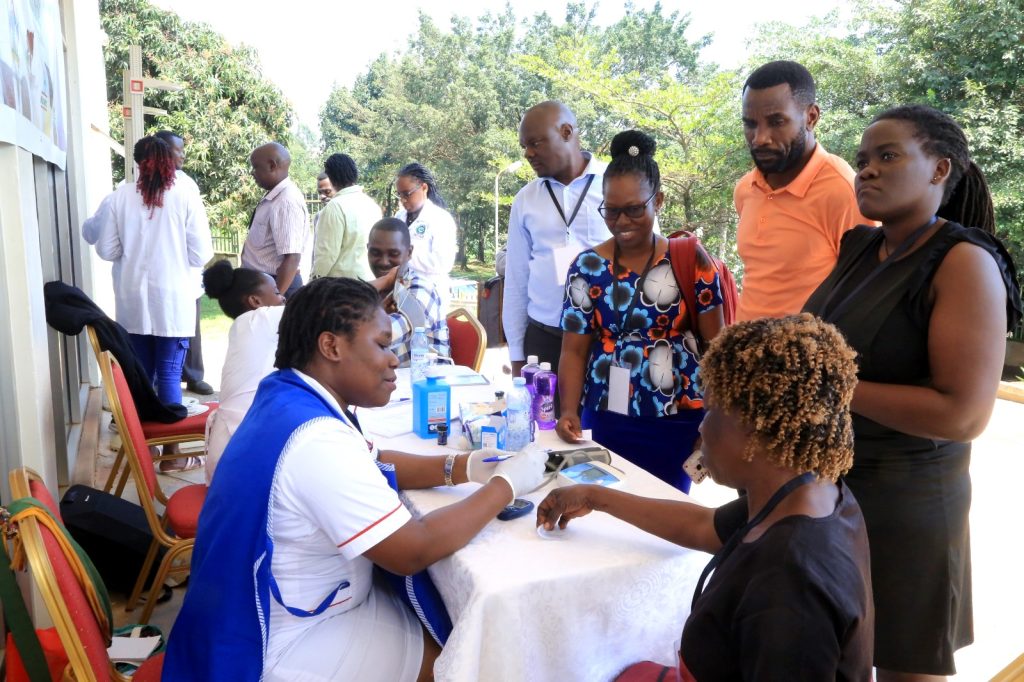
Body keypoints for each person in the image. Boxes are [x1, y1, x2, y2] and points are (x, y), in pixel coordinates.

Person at [163, 277, 547, 681]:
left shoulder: (287, 397)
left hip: (280, 609)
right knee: (474, 659)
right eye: (382, 345)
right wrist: (504, 486)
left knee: (452, 617)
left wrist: (462, 466)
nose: (394, 359)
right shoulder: (316, 441)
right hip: (285, 642)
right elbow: (413, 550)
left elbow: (374, 458)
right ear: (331, 347)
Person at [804, 105, 1022, 681]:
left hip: (909, 506)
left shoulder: (963, 261)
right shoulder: (858, 248)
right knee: (840, 656)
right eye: (861, 161)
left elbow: (964, 414)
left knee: (905, 667)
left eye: (887, 156)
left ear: (939, 169)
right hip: (832, 487)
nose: (867, 171)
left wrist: (831, 383)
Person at [538, 314, 874, 680]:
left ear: (755, 428)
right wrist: (594, 497)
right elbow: (702, 526)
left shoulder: (789, 587)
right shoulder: (812, 493)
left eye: (710, 410)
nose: (700, 425)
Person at [556, 130, 723, 492]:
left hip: (679, 414)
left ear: (658, 201)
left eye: (634, 209)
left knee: (667, 512)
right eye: (611, 211)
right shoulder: (586, 267)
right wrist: (568, 409)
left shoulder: (691, 260)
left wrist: (716, 419)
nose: (621, 221)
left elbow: (718, 348)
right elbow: (573, 348)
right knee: (603, 503)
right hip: (607, 412)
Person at [734, 60, 871, 321]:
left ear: (811, 117)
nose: (760, 137)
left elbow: (867, 290)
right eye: (751, 124)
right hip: (744, 356)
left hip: (808, 357)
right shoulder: (745, 190)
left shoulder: (842, 190)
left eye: (776, 121)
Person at [92, 135, 213, 410]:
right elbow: (201, 254)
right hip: (173, 301)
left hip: (132, 301)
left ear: (136, 162)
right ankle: (173, 447)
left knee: (142, 375)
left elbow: (106, 251)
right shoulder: (186, 196)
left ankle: (145, 445)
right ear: (170, 161)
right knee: (170, 375)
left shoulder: (119, 196)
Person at [503, 101, 610, 376]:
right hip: (544, 338)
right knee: (544, 420)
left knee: (600, 421)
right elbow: (516, 279)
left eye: (535, 143)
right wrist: (517, 355)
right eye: (524, 146)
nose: (528, 153)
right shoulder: (525, 199)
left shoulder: (616, 184)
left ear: (566, 132)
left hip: (607, 340)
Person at [200, 260, 286, 484]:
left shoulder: (243, 326)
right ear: (256, 301)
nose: (283, 297)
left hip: (226, 454)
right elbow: (326, 303)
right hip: (240, 462)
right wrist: (385, 281)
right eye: (276, 292)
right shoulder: (262, 319)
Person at [154, 129, 214, 396]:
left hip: (186, 271)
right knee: (158, 330)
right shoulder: (136, 187)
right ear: (165, 152)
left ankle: (193, 375)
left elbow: (198, 240)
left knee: (190, 329)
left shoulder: (187, 184)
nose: (184, 155)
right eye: (179, 150)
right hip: (158, 274)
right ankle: (160, 380)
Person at [366, 218, 449, 366]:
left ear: (409, 252)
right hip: (391, 381)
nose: (384, 261)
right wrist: (379, 284)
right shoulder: (377, 291)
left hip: (426, 384)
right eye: (376, 253)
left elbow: (380, 336)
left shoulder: (420, 290)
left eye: (393, 254)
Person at [242, 142, 310, 299]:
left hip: (277, 286)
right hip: (264, 284)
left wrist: (274, 299)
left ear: (272, 166)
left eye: (255, 167)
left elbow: (292, 257)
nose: (252, 173)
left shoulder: (286, 201)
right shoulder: (274, 197)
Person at [394, 162, 457, 307]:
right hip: (401, 292)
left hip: (430, 295)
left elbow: (442, 263)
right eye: (399, 195)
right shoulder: (399, 216)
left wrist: (403, 255)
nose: (403, 200)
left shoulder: (441, 218)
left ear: (423, 187)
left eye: (407, 194)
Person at [311, 153, 382, 280]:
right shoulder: (372, 205)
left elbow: (326, 255)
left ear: (331, 178)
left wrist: (312, 285)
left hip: (341, 288)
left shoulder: (335, 206)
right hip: (369, 284)